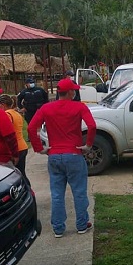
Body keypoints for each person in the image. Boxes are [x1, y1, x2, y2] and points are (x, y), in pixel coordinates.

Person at [28, 78, 97, 238]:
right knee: (79, 192)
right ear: (71, 92)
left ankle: (58, 228)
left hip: (54, 155)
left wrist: (39, 148)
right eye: (74, 90)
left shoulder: (46, 108)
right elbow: (92, 126)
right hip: (74, 154)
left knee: (57, 194)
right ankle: (81, 224)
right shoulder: (79, 107)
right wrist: (88, 145)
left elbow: (32, 127)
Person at [0, 94, 30, 182]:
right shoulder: (16, 113)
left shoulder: (7, 115)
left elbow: (7, 132)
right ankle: (28, 190)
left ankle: (27, 191)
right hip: (22, 146)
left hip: (16, 148)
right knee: (21, 173)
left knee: (17, 175)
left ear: (3, 105)